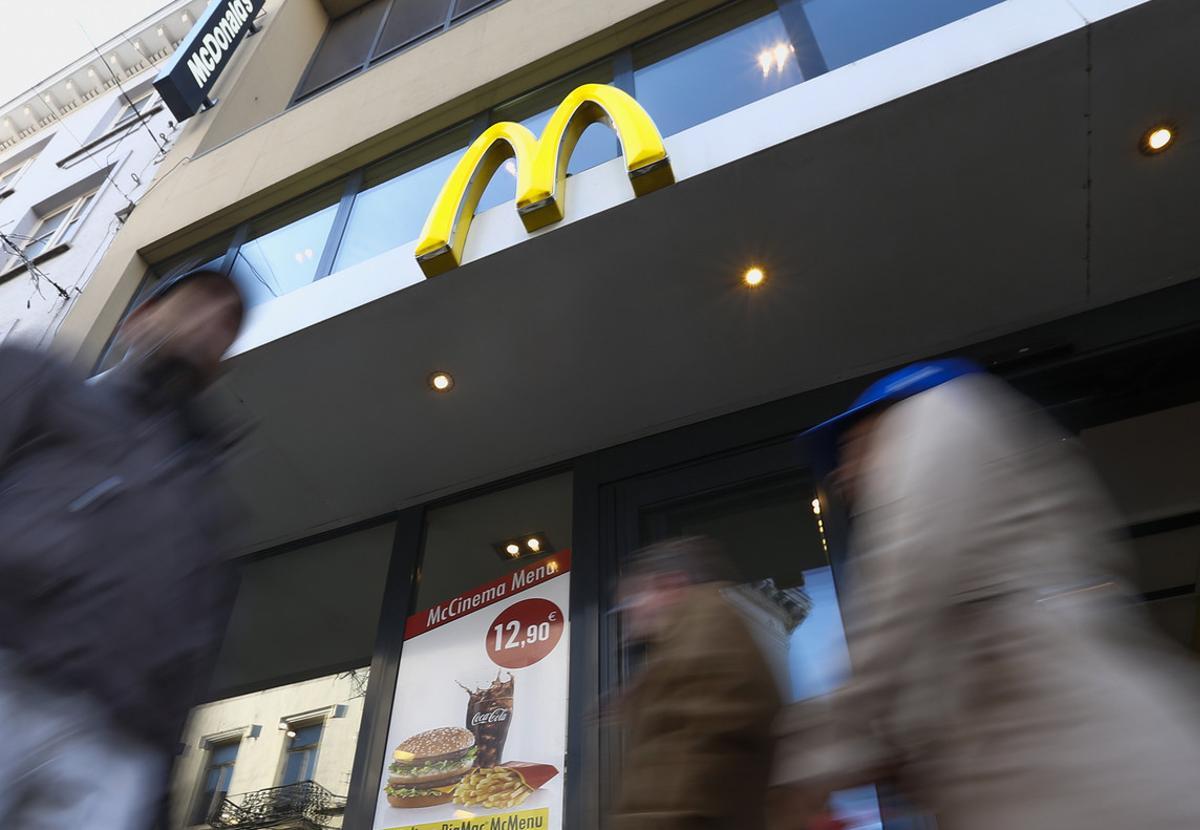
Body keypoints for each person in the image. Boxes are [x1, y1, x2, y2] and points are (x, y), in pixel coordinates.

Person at [771, 359, 1200, 830]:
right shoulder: (975, 593)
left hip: (1108, 788)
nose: (841, 476)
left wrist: (806, 767)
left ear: (885, 424)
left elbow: (900, 598)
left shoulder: (939, 412)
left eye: (847, 450)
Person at [0, 267, 246, 829]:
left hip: (110, 747)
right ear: (138, 320)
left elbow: (189, 662)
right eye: (194, 305)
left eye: (225, 325)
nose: (208, 324)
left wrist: (155, 792)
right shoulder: (42, 384)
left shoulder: (209, 514)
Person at [611, 536, 783, 830]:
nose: (628, 613)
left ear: (670, 585)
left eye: (632, 599)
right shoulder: (687, 641)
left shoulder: (703, 632)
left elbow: (683, 768)